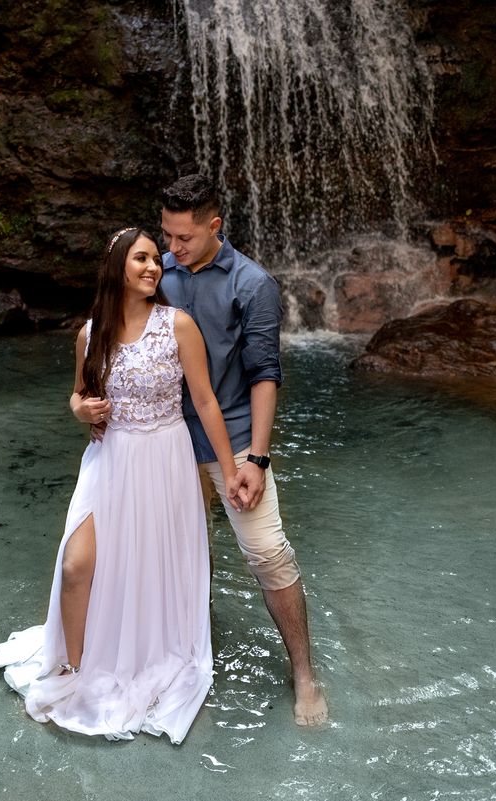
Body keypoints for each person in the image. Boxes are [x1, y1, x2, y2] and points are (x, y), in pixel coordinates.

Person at [0, 227, 241, 744]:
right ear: (117, 268)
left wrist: (232, 470)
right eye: (142, 258)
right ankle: (76, 667)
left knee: (146, 566)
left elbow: (206, 402)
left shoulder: (178, 325)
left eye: (156, 259)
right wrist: (83, 408)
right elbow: (80, 396)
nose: (154, 267)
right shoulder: (89, 334)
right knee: (77, 562)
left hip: (164, 460)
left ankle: (141, 653)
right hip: (109, 459)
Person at [157, 174, 329, 726]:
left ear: (214, 226)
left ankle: (304, 674)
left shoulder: (253, 284)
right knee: (184, 555)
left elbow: (264, 375)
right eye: (166, 234)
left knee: (269, 555)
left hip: (230, 442)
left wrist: (257, 458)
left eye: (183, 237)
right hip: (164, 444)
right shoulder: (155, 273)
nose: (173, 248)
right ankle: (191, 660)